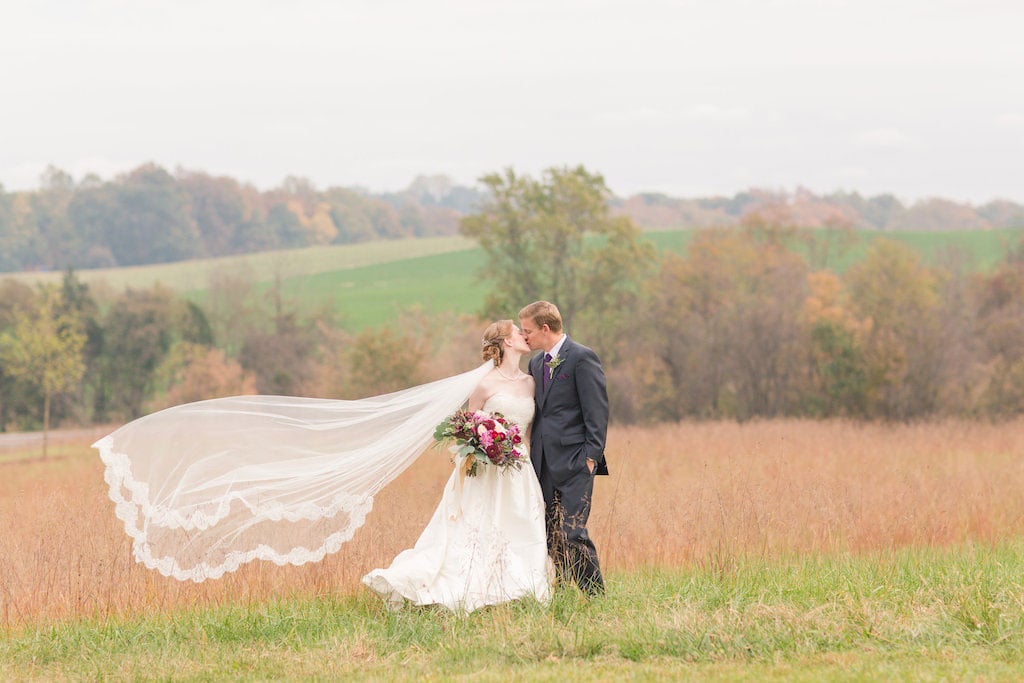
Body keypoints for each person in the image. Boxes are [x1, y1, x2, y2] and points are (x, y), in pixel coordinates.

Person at [361, 320, 552, 612]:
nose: (524, 335)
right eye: (518, 332)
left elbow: (528, 433)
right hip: (486, 470)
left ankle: (519, 586)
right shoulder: (485, 384)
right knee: (477, 526)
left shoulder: (530, 382)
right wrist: (485, 448)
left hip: (519, 468)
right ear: (507, 342)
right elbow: (467, 427)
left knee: (520, 522)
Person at [519, 301, 608, 595]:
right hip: (542, 462)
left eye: (528, 330)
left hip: (576, 461)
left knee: (573, 533)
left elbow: (597, 412)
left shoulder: (582, 358)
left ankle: (595, 596)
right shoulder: (535, 363)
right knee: (550, 534)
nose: (524, 336)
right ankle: (567, 593)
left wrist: (591, 458)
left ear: (545, 329)